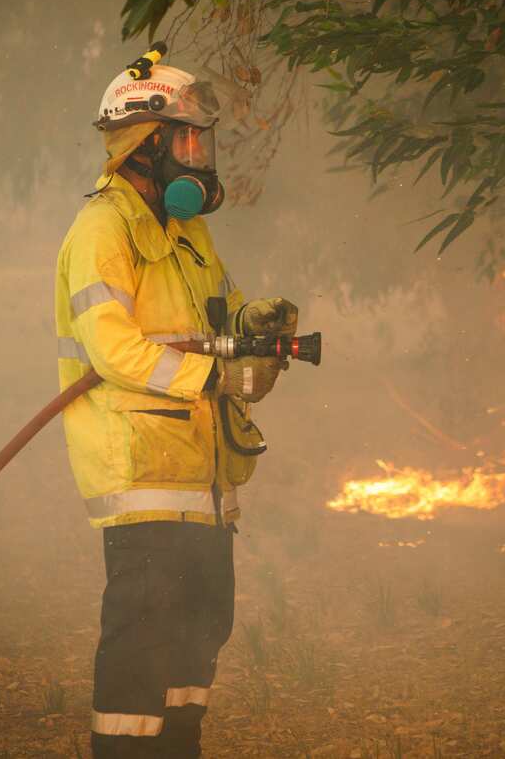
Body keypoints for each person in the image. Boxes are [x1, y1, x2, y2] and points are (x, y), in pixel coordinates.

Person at [53, 47, 298, 757]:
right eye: (187, 139)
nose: (199, 155)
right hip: (143, 483)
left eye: (201, 140)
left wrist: (253, 326)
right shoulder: (103, 229)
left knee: (196, 650)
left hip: (205, 482)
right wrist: (210, 379)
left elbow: (212, 324)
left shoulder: (188, 229)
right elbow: (114, 352)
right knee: (141, 659)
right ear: (147, 143)